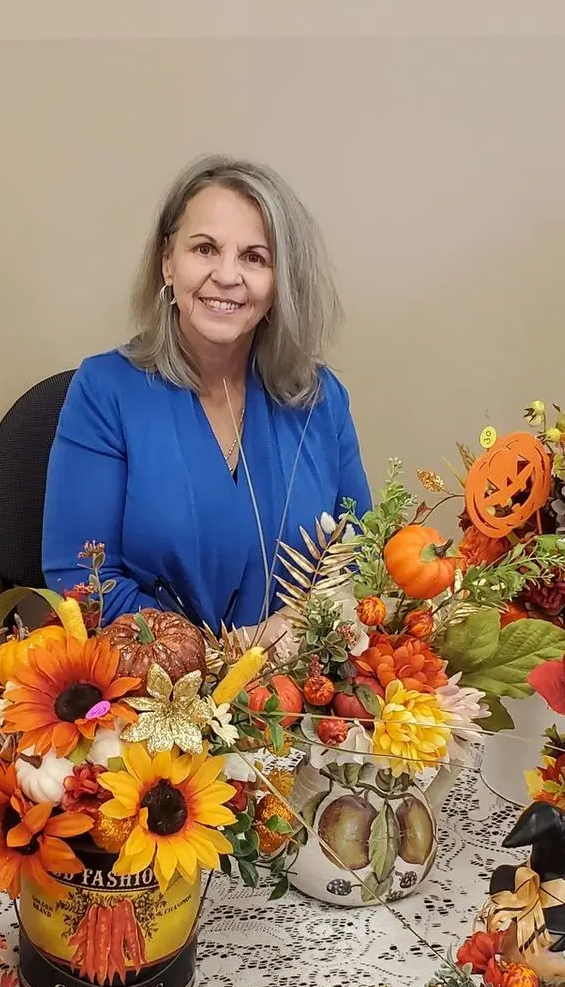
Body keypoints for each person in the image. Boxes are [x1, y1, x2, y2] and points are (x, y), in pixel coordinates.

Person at [42, 155, 370, 632]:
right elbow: (83, 584)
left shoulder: (321, 399)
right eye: (205, 249)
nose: (227, 275)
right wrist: (227, 654)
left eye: (254, 258)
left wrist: (295, 640)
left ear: (279, 282)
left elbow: (359, 559)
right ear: (167, 263)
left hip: (303, 669)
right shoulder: (104, 392)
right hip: (153, 675)